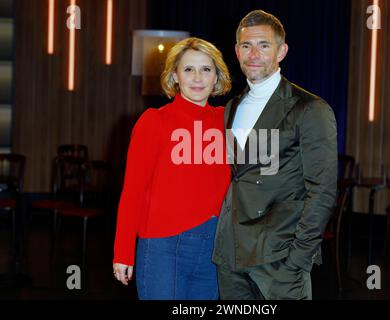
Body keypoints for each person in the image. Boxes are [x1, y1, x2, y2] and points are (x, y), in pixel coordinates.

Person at [212, 10, 337, 300]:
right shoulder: (232, 106)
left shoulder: (309, 108)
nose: (253, 54)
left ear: (281, 51)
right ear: (236, 51)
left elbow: (323, 191)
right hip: (230, 256)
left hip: (279, 259)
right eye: (246, 45)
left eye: (264, 45)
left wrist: (297, 260)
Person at [113, 37, 232, 300]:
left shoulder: (229, 121)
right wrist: (123, 251)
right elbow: (133, 191)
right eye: (188, 69)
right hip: (162, 247)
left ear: (217, 77)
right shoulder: (154, 121)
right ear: (175, 76)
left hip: (214, 248)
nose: (197, 77)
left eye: (206, 69)